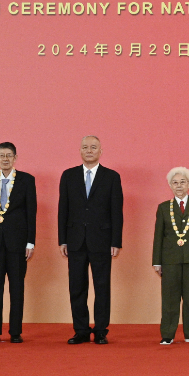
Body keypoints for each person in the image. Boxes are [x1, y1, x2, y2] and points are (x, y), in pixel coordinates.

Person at [59, 135, 123, 345]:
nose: (89, 150)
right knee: (77, 287)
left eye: (93, 147)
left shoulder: (111, 177)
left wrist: (116, 241)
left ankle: (101, 330)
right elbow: (63, 209)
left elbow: (116, 211)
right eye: (85, 147)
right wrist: (63, 239)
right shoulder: (68, 176)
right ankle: (81, 330)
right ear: (80, 151)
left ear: (100, 151)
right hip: (75, 240)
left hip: (102, 240)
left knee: (102, 286)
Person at [0, 142, 36, 344]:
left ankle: (15, 332)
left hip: (18, 243)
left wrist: (30, 242)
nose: (5, 159)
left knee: (17, 287)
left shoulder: (27, 180)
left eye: (9, 155)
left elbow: (31, 213)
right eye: (1, 155)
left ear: (15, 158)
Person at [153, 167, 189, 345]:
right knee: (170, 297)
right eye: (175, 182)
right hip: (169, 259)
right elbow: (158, 236)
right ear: (170, 185)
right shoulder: (163, 208)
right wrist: (157, 261)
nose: (179, 186)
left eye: (183, 182)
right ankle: (167, 334)